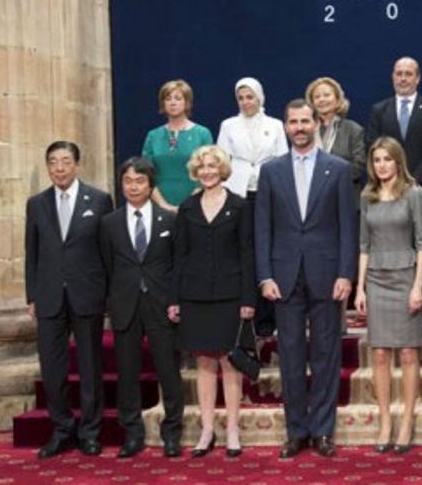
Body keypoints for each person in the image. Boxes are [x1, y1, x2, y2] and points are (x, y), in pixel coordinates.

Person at [255, 99, 357, 458]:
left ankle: (323, 431)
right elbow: (262, 228)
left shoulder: (339, 169)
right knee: (291, 355)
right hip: (283, 277)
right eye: (293, 121)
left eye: (305, 121)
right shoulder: (270, 171)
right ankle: (296, 431)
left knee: (327, 355)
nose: (299, 127)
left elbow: (349, 227)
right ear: (285, 126)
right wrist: (264, 275)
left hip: (328, 275)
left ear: (317, 124)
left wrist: (347, 273)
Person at [25, 141, 114, 458]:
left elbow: (108, 253)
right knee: (52, 370)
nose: (59, 168)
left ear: (77, 164)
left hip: (86, 295)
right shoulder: (36, 204)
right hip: (48, 297)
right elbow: (31, 253)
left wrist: (106, 294)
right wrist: (31, 295)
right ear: (48, 166)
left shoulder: (100, 200)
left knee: (90, 368)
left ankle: (90, 432)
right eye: (53, 162)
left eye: (65, 161)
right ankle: (62, 429)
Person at [172, 145, 256, 458]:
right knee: (204, 362)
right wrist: (175, 299)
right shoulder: (187, 207)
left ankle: (232, 429)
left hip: (231, 294)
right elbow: (179, 256)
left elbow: (247, 253)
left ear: (222, 169)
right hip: (194, 296)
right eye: (202, 166)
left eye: (212, 165)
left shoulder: (239, 206)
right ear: (196, 171)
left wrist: (249, 298)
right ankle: (207, 429)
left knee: (230, 362)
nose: (207, 171)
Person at [99, 157, 183, 458]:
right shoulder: (108, 223)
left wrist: (175, 300)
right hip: (125, 306)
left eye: (140, 181)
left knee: (169, 372)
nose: (134, 187)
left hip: (161, 306)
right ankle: (132, 434)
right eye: (128, 181)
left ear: (151, 185)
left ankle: (172, 433)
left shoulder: (169, 220)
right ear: (122, 185)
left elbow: (177, 266)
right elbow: (106, 266)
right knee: (127, 373)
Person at [354, 137, 422, 454]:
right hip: (376, 279)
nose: (382, 165)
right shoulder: (367, 196)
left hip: (406, 277)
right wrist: (360, 288)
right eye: (377, 160)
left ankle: (407, 421)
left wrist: (418, 285)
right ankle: (385, 421)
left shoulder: (415, 193)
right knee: (380, 354)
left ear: (398, 161)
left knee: (409, 354)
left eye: (387, 159)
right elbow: (363, 246)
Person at [366, 56, 422, 333]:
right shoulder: (380, 110)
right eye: (398, 73)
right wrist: (394, 179)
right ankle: (393, 306)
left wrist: (411, 181)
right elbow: (372, 145)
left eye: (408, 73)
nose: (403, 78)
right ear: (392, 77)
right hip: (386, 192)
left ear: (418, 78)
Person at [217, 77, 288, 337]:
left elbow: (283, 161)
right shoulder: (228, 125)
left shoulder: (276, 125)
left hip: (268, 195)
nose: (246, 102)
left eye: (250, 96)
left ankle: (269, 319)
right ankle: (246, 316)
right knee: (243, 252)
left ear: (260, 97)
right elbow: (221, 160)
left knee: (266, 252)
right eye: (241, 98)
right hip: (238, 193)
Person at [143, 79, 213, 212]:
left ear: (187, 103)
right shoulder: (153, 136)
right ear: (163, 103)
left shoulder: (202, 133)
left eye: (178, 98)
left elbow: (207, 173)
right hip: (159, 206)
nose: (173, 102)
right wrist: (163, 205)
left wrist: (187, 205)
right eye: (168, 99)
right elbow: (147, 175)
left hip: (195, 206)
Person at [305, 76, 366, 193]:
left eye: (327, 95)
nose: (322, 99)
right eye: (317, 97)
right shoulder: (306, 130)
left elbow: (358, 167)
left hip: (345, 194)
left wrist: (329, 179)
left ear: (338, 99)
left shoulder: (353, 129)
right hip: (311, 195)